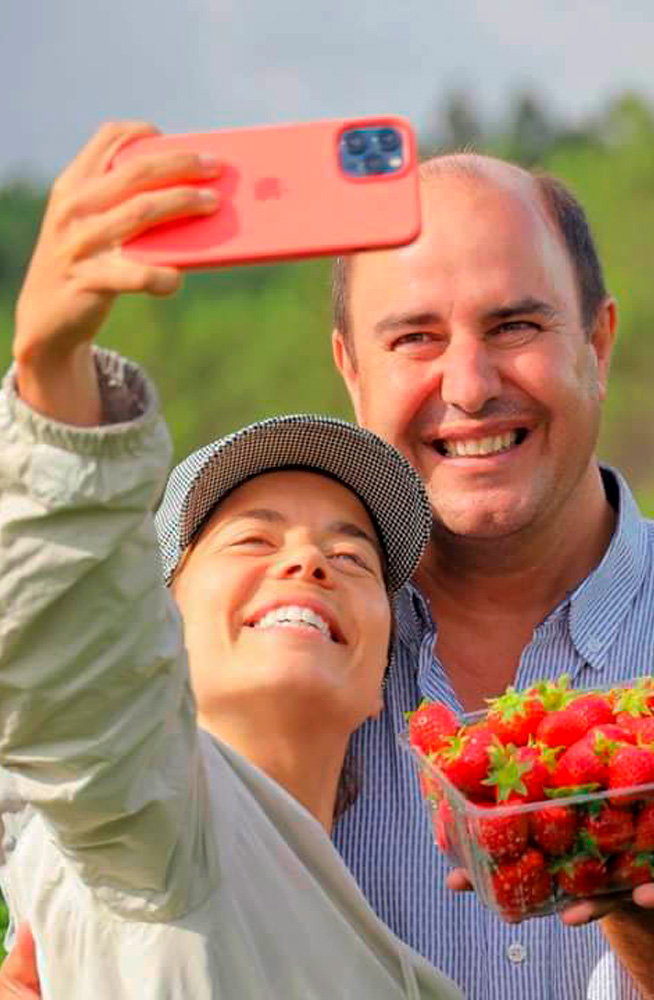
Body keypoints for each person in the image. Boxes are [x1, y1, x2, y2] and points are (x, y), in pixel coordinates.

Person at [4, 125, 654, 999]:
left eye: (514, 324)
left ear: (599, 343)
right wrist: (54, 378)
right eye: (415, 338)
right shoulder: (220, 745)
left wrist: (647, 875)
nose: (469, 386)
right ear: (351, 368)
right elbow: (75, 674)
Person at [0, 122, 462, 999]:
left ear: (382, 680)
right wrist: (55, 374)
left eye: (353, 556)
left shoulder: (404, 977)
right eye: (252, 538)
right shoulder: (152, 823)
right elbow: (74, 660)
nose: (308, 563)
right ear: (159, 625)